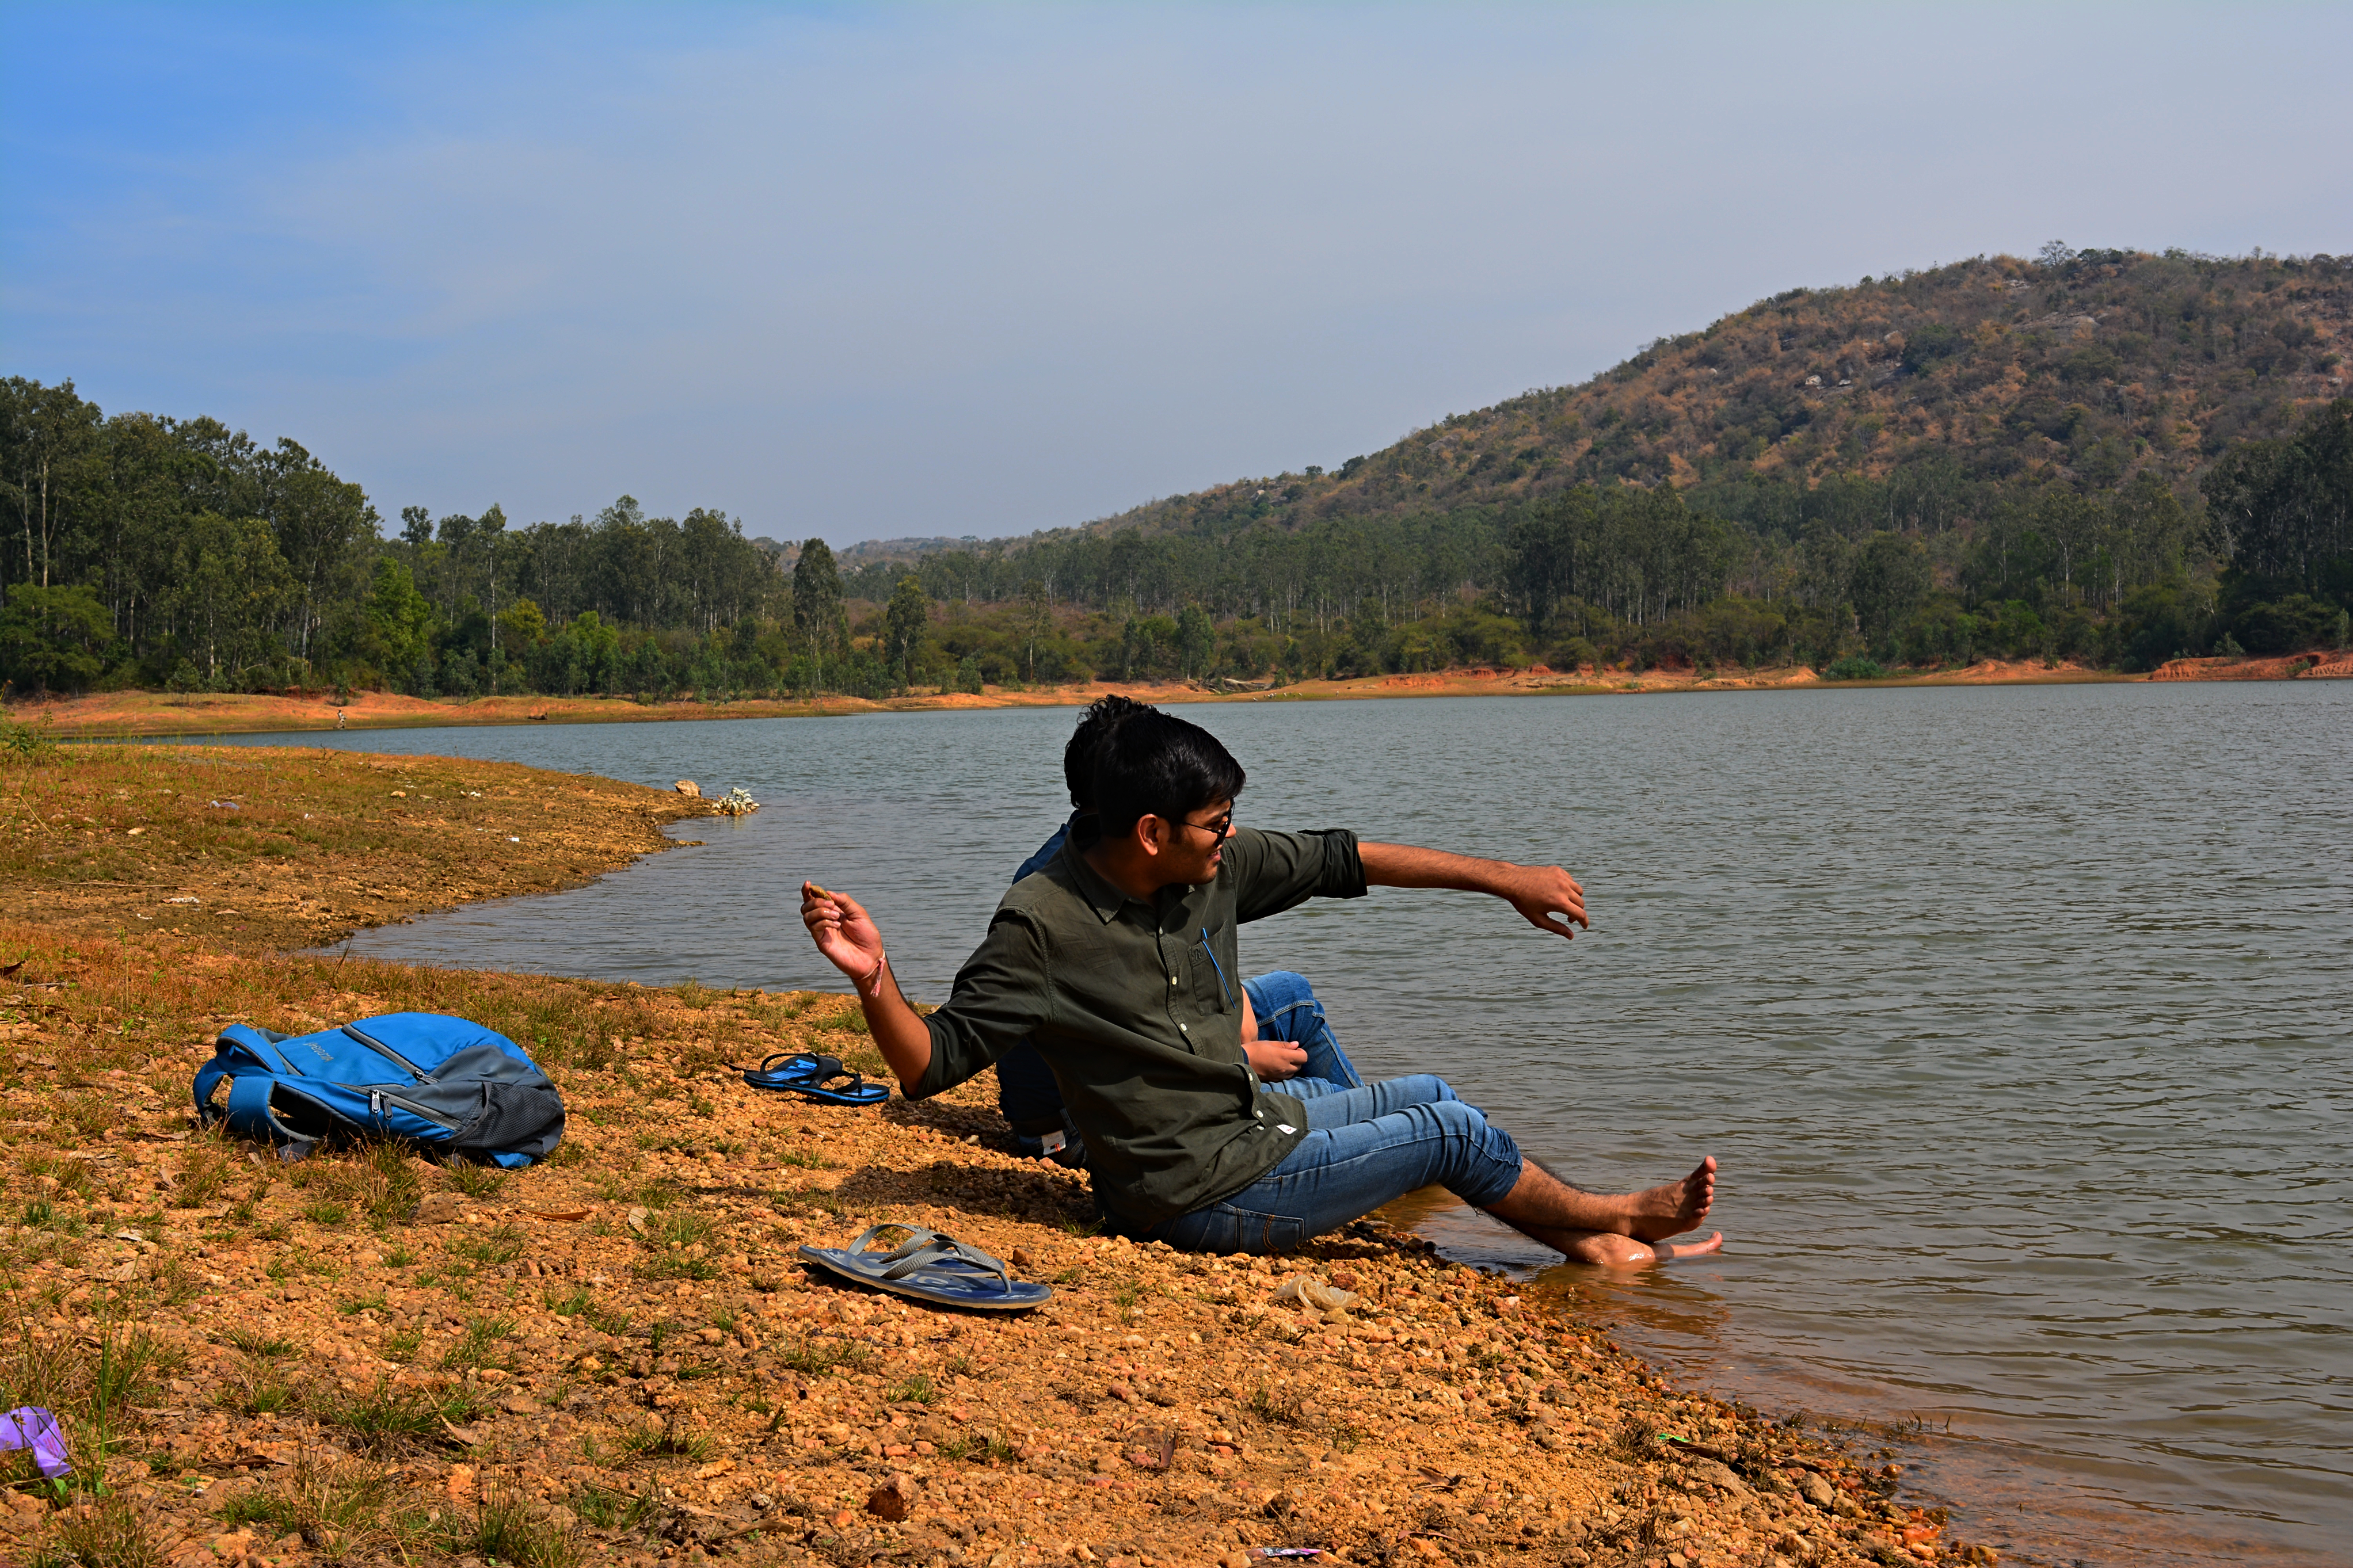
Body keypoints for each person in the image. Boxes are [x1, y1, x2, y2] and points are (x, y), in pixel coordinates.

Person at [802, 709, 1719, 1266]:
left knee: (1434, 1096)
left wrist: (1504, 876)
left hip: (1244, 1127)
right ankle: (1621, 1217)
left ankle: (1590, 1243)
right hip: (1193, 1197)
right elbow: (931, 1066)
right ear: (1152, 831)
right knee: (1447, 1131)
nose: (1230, 840)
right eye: (1217, 824)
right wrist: (875, 976)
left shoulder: (1207, 864)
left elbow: (1341, 858)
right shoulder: (1040, 925)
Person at [997, 697, 1359, 1166]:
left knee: (1291, 994)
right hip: (1082, 1127)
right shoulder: (1076, 898)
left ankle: (1378, 1161)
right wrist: (1243, 1064)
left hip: (1110, 1090)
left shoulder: (1114, 857)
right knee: (1336, 1095)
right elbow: (1133, 1062)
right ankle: (1368, 1157)